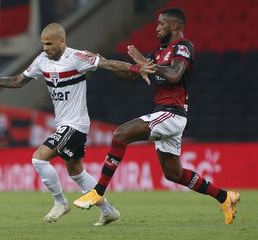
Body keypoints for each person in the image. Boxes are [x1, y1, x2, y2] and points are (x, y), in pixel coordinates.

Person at [0, 23, 151, 226]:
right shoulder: (41, 60)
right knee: (76, 172)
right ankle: (108, 211)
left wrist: (136, 68)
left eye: (49, 43)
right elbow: (19, 80)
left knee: (39, 159)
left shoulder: (77, 57)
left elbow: (108, 64)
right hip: (64, 125)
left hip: (76, 124)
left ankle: (60, 203)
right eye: (42, 44)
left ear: (62, 42)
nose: (45, 47)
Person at [73, 8, 241, 224]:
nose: (157, 28)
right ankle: (226, 197)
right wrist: (103, 62)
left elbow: (174, 74)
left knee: (120, 134)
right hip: (164, 114)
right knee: (174, 174)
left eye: (161, 24)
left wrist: (150, 65)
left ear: (174, 26)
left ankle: (98, 192)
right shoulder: (159, 52)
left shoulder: (184, 47)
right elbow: (133, 74)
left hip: (173, 114)